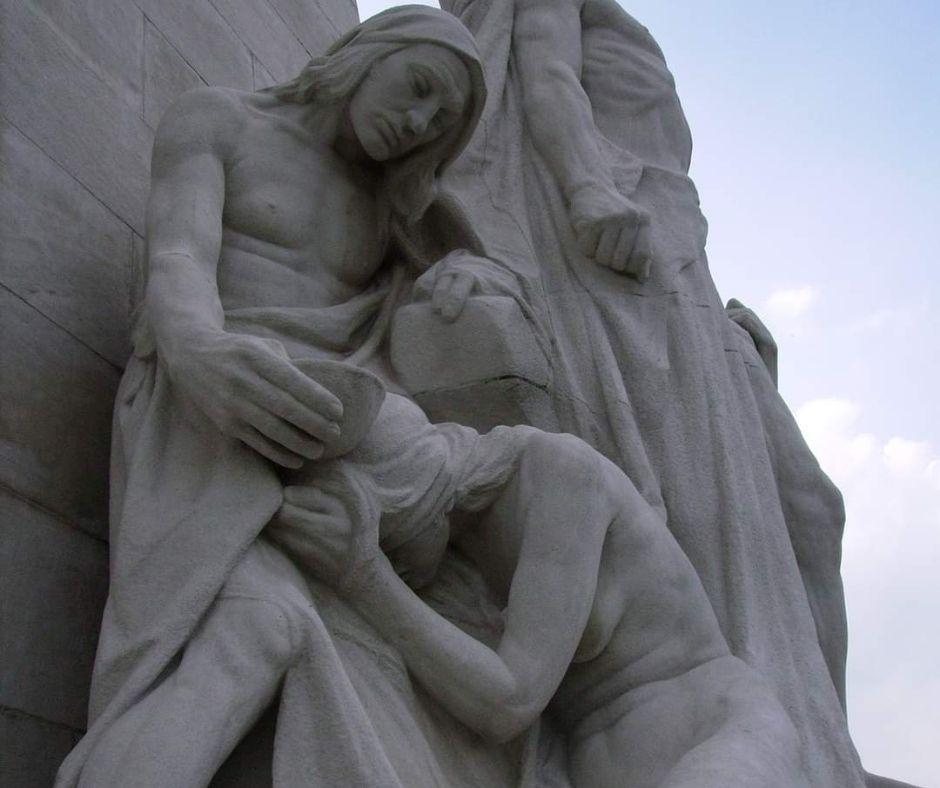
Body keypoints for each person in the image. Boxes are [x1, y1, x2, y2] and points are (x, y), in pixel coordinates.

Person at [55, 8, 510, 787]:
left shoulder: (393, 208)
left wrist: (472, 273)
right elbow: (177, 260)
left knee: (274, 634)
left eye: (439, 123)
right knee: (253, 629)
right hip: (212, 409)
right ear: (368, 52)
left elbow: (483, 277)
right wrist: (200, 352)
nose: (417, 122)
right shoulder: (218, 120)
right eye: (418, 87)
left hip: (332, 445)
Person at [437, 0, 864, 784]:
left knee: (811, 510)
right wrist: (586, 188)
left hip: (671, 259)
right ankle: (775, 730)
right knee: (704, 502)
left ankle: (821, 741)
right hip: (618, 259)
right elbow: (545, 73)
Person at [275, 408, 809, 788]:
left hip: (713, 733)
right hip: (587, 768)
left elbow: (509, 702)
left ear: (413, 495)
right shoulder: (451, 564)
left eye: (388, 541)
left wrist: (366, 576)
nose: (400, 567)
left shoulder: (559, 472)